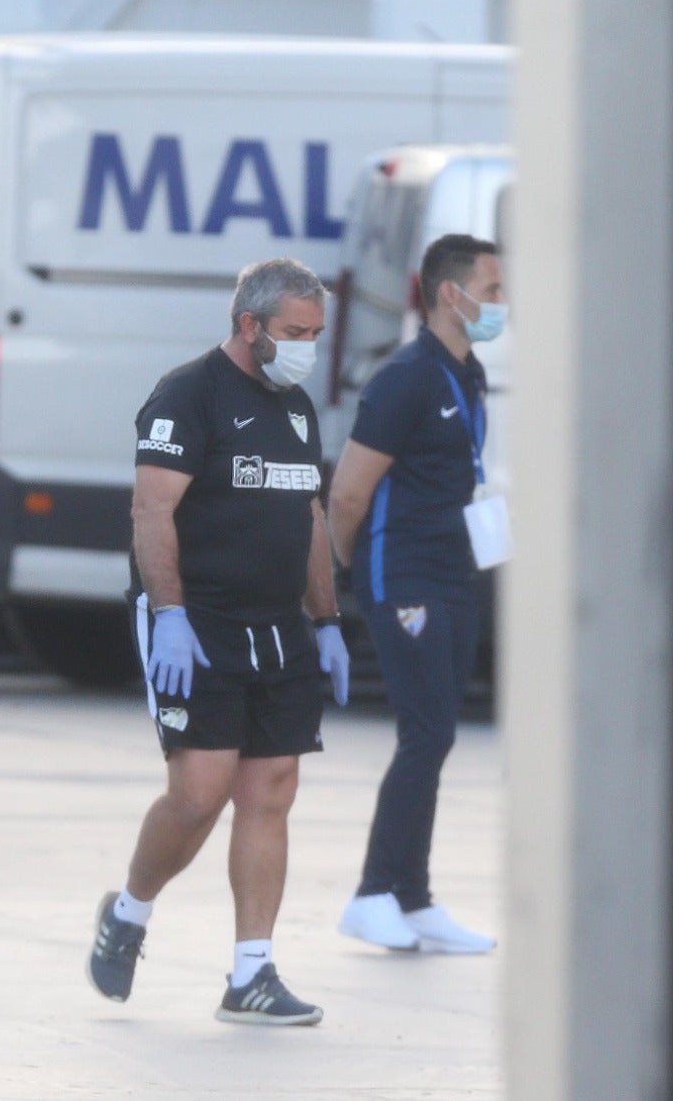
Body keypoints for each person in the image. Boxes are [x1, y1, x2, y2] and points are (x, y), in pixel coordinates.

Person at [87, 257, 351, 1026]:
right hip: (197, 624)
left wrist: (327, 620)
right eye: (295, 333)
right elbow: (151, 512)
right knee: (198, 795)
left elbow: (307, 517)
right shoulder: (188, 393)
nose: (307, 347)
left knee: (270, 793)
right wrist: (168, 613)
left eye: (316, 334)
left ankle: (252, 975)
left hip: (278, 628)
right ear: (249, 325)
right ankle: (130, 913)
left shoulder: (297, 408)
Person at [326, 233, 506, 955]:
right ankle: (373, 893)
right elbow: (347, 494)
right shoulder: (404, 378)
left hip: (455, 570)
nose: (502, 304)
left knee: (439, 733)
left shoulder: (469, 373)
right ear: (449, 295)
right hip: (401, 575)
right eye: (492, 291)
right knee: (425, 731)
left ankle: (413, 896)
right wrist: (352, 578)